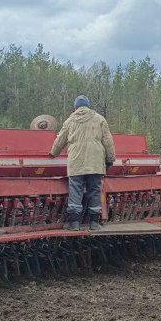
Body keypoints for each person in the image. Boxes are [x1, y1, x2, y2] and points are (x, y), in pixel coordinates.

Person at [48, 95, 116, 231]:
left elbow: (60, 139)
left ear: (75, 107)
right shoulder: (99, 119)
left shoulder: (70, 121)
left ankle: (74, 224)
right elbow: (108, 141)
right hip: (95, 163)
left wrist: (53, 153)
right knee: (95, 191)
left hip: (76, 163)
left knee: (75, 191)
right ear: (88, 105)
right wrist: (110, 160)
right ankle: (94, 224)